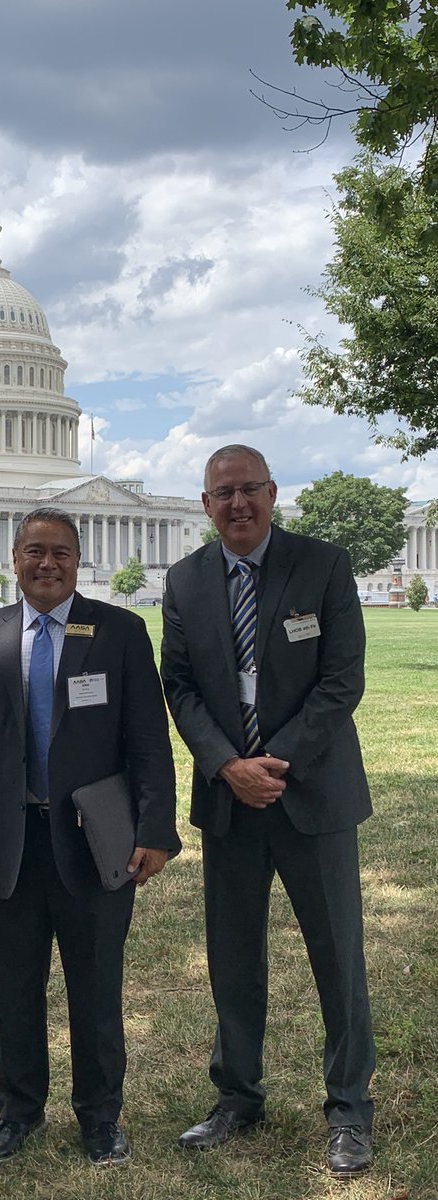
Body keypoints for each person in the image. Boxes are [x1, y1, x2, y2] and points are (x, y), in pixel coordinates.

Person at [160, 445, 375, 1178]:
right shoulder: (186, 580)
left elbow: (343, 680)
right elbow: (180, 687)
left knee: (337, 956)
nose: (238, 504)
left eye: (250, 489)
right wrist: (227, 765)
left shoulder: (323, 565)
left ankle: (349, 1108)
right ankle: (237, 1096)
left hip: (309, 792)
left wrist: (271, 764)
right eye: (224, 493)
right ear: (205, 503)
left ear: (273, 493)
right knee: (233, 956)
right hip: (230, 799)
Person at [0, 507, 179, 1168]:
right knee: (14, 989)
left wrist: (155, 829)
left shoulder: (120, 631)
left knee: (97, 989)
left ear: (79, 561)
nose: (48, 565)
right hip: (10, 844)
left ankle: (100, 1118)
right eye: (35, 552)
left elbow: (148, 744)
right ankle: (18, 1113)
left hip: (95, 843)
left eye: (61, 554)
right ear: (13, 559)